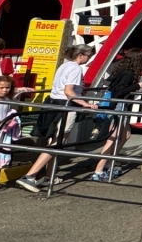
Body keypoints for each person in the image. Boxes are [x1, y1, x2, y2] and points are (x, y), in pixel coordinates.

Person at [17, 44, 99, 192]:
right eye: (89, 56)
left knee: (54, 139)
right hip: (66, 105)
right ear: (81, 56)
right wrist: (85, 104)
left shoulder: (64, 65)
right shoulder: (76, 68)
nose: (89, 59)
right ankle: (29, 176)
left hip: (54, 103)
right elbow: (69, 91)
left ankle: (50, 175)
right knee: (58, 141)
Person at [91, 48, 142, 182]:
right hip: (119, 105)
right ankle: (99, 170)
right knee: (113, 137)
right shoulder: (128, 73)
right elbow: (119, 91)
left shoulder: (120, 69)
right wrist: (137, 86)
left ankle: (110, 163)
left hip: (120, 105)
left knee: (126, 135)